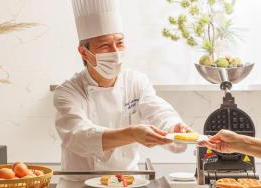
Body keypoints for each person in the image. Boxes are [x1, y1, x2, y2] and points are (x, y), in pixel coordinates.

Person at [53, 0, 191, 180]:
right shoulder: (68, 92)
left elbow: (159, 112)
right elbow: (78, 137)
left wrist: (174, 127)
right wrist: (132, 134)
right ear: (83, 52)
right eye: (104, 45)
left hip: (128, 181)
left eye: (119, 43)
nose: (115, 52)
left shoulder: (136, 81)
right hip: (80, 183)